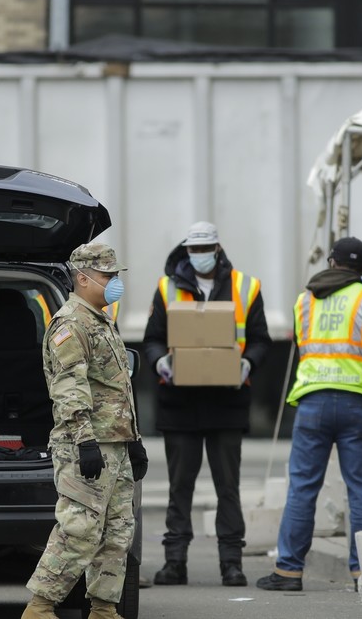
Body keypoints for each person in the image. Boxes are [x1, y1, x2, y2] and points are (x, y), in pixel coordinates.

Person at [255, 237, 362, 592]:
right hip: (357, 405)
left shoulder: (304, 302)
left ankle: (288, 571)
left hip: (312, 403)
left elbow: (304, 347)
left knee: (302, 488)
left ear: (332, 262)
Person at [21, 243, 146, 619]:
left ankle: (104, 609)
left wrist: (134, 441)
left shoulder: (100, 321)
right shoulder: (71, 324)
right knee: (79, 530)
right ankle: (40, 608)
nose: (115, 282)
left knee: (117, 532)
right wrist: (84, 440)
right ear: (83, 278)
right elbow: (69, 388)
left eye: (115, 275)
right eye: (108, 275)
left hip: (116, 444)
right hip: (87, 444)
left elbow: (116, 387)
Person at [142, 221, 270, 587]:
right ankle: (175, 562)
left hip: (227, 401)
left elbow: (260, 340)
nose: (199, 255)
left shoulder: (246, 287)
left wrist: (248, 364)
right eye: (193, 250)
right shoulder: (167, 288)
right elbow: (152, 339)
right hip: (179, 402)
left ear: (217, 249)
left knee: (227, 487)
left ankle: (231, 563)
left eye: (205, 249)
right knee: (179, 486)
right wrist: (160, 362)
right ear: (186, 251)